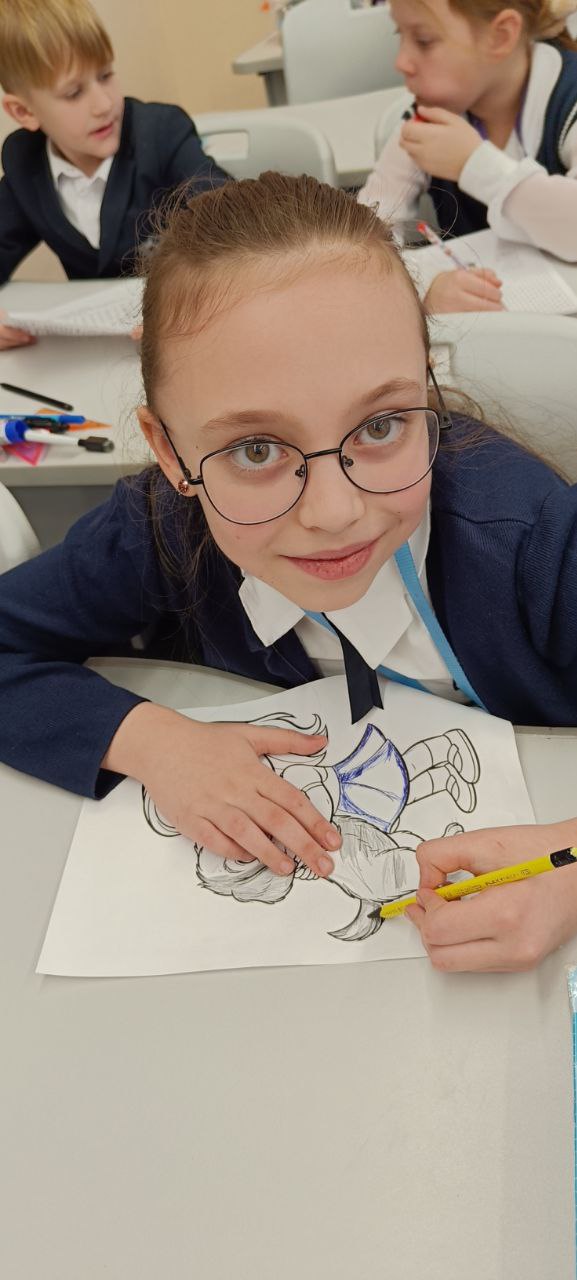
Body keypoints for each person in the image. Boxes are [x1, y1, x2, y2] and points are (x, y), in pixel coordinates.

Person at [1, 172, 577, 973]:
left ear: (427, 389)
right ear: (167, 449)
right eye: (255, 449)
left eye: (381, 424)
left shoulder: (529, 536)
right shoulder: (158, 530)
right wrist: (154, 742)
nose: (334, 512)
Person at [0, 0, 230, 348]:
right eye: (74, 93)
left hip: (190, 338)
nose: (105, 104)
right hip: (98, 355)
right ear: (23, 112)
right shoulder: (25, 164)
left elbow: (231, 224)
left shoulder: (161, 134)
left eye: (106, 75)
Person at [358, 0, 577, 313]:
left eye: (424, 40)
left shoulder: (568, 99)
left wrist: (473, 165)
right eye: (400, 35)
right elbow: (363, 245)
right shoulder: (427, 119)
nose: (401, 62)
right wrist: (425, 294)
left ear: (501, 36)